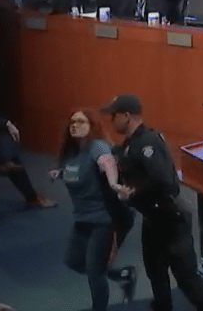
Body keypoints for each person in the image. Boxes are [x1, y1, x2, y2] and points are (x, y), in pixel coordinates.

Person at [100, 94, 203, 311]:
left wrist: (133, 193)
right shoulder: (131, 143)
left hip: (171, 218)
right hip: (152, 218)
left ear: (127, 116)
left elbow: (162, 180)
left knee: (187, 278)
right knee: (155, 272)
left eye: (113, 115)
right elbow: (120, 157)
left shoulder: (148, 143)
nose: (111, 120)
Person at [50, 109, 137, 311]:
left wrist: (114, 184)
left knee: (94, 270)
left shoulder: (97, 146)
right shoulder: (72, 152)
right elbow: (77, 174)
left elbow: (106, 162)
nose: (75, 125)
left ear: (92, 126)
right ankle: (123, 276)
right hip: (82, 218)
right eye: (72, 122)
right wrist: (60, 174)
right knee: (74, 262)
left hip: (104, 218)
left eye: (81, 121)